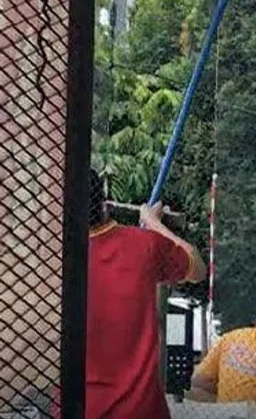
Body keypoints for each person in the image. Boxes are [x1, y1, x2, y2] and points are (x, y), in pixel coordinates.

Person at [83, 170, 207, 419]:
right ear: (104, 202)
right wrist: (153, 223)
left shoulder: (52, 258)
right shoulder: (144, 245)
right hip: (141, 411)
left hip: (79, 409)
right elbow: (198, 269)